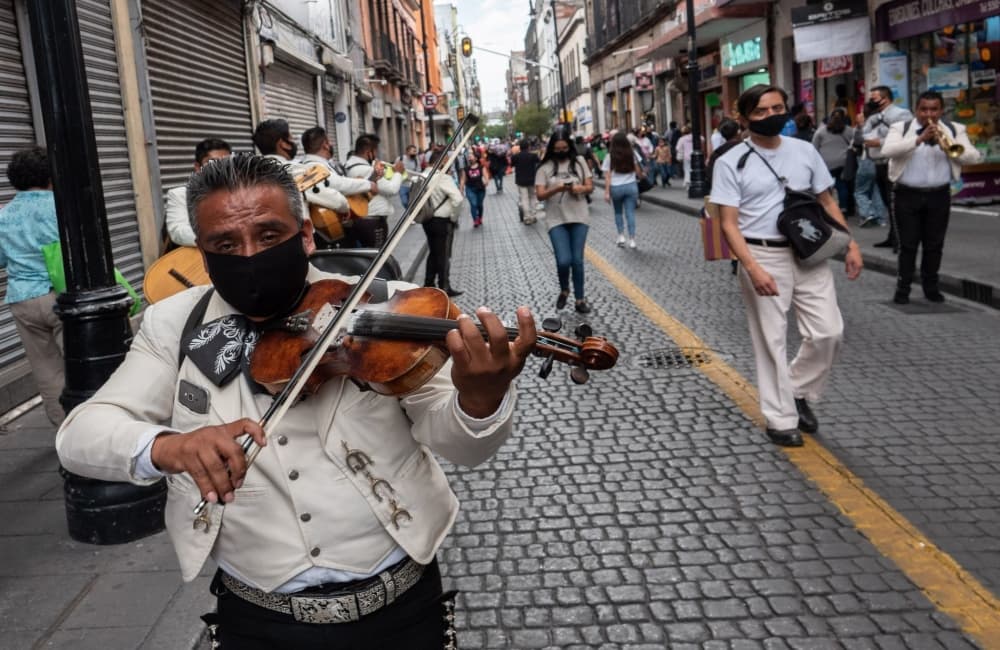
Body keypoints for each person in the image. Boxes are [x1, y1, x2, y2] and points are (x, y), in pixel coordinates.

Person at [55, 152, 537, 649]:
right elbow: (81, 433)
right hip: (258, 618)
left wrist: (480, 399)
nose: (249, 256)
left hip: (400, 609)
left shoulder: (387, 304)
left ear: (306, 235)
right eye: (226, 244)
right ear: (202, 252)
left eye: (268, 236)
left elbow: (463, 446)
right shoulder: (173, 323)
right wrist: (165, 446)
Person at [712, 84, 863, 448]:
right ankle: (781, 419)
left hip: (810, 252)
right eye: (762, 111)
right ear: (745, 117)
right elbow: (728, 223)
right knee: (772, 339)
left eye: (777, 107)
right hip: (762, 255)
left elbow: (826, 201)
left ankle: (797, 389)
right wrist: (751, 267)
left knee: (829, 332)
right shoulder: (731, 160)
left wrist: (851, 243)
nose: (771, 116)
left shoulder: (804, 150)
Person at [881, 90, 981, 305]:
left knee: (934, 245)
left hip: (939, 195)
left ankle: (931, 288)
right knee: (908, 245)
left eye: (934, 109)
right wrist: (918, 140)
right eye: (924, 109)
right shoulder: (901, 128)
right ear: (916, 110)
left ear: (941, 110)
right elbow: (887, 150)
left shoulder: (955, 129)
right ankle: (903, 289)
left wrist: (948, 146)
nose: (929, 114)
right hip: (907, 195)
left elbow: (973, 156)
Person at [0, 147, 66, 425]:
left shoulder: (3, 215)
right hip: (62, 296)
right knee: (79, 365)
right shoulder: (61, 207)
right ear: (50, 176)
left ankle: (64, 430)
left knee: (46, 370)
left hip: (23, 300)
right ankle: (93, 427)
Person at [253, 119, 351, 244]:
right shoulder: (296, 171)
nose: (295, 144)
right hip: (297, 242)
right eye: (291, 138)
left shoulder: (252, 173)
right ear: (283, 144)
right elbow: (335, 200)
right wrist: (344, 207)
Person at [535, 129, 594, 313]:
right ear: (552, 148)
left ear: (569, 147)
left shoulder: (579, 162)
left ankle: (579, 299)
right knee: (563, 260)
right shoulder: (544, 168)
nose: (561, 151)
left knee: (577, 260)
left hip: (579, 215)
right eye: (557, 148)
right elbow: (539, 195)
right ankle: (564, 289)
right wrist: (557, 189)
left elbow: (590, 186)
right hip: (555, 218)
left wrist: (578, 189)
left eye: (564, 148)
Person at [862, 85, 913, 250]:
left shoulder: (901, 114)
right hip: (878, 163)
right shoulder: (874, 117)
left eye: (874, 98)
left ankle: (902, 240)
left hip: (893, 162)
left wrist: (880, 142)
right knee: (887, 202)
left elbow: (907, 137)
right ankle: (893, 236)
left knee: (896, 202)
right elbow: (864, 133)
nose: (872, 101)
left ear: (886, 98)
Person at [165, 138, 231, 248]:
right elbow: (178, 231)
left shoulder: (243, 190)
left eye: (226, 162)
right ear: (197, 167)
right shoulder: (180, 195)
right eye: (212, 163)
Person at [344, 133, 405, 248]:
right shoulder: (365, 169)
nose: (377, 155)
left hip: (363, 219)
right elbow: (392, 189)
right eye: (376, 151)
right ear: (368, 152)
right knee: (377, 259)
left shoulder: (349, 165)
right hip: (372, 220)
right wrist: (398, 173)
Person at [421, 149, 466, 297]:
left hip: (427, 220)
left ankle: (428, 284)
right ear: (441, 162)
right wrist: (454, 217)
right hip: (442, 220)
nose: (449, 166)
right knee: (443, 254)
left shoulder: (422, 176)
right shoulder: (443, 178)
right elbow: (458, 199)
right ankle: (444, 285)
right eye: (447, 162)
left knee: (433, 252)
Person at [602, 132, 643, 249]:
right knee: (630, 213)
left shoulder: (609, 156)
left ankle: (621, 236)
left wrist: (606, 192)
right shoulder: (632, 153)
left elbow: (608, 176)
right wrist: (641, 177)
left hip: (616, 187)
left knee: (618, 212)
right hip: (631, 186)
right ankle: (632, 239)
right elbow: (638, 171)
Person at [811, 109, 855, 214]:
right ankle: (844, 207)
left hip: (826, 163)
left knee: (826, 185)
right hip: (843, 162)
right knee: (842, 185)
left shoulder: (821, 131)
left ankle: (827, 207)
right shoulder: (849, 130)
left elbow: (814, 147)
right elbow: (854, 143)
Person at [852, 109, 888, 228]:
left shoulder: (866, 128)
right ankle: (880, 217)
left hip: (866, 161)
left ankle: (867, 214)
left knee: (860, 191)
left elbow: (857, 142)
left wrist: (859, 126)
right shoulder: (883, 127)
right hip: (880, 162)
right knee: (876, 190)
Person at [510, 139, 540, 224]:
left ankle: (527, 218)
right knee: (533, 197)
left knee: (524, 199)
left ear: (520, 147)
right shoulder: (533, 156)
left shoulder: (515, 157)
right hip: (532, 179)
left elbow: (511, 165)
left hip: (520, 180)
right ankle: (533, 215)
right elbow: (539, 163)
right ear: (528, 147)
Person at [463, 153, 489, 228]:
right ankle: (475, 220)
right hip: (470, 188)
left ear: (476, 158)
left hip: (480, 188)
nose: (469, 158)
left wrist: (486, 181)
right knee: (473, 204)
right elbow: (463, 179)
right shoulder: (466, 169)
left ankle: (480, 217)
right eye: (469, 157)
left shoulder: (481, 167)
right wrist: (461, 189)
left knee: (479, 205)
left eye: (471, 157)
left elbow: (485, 175)